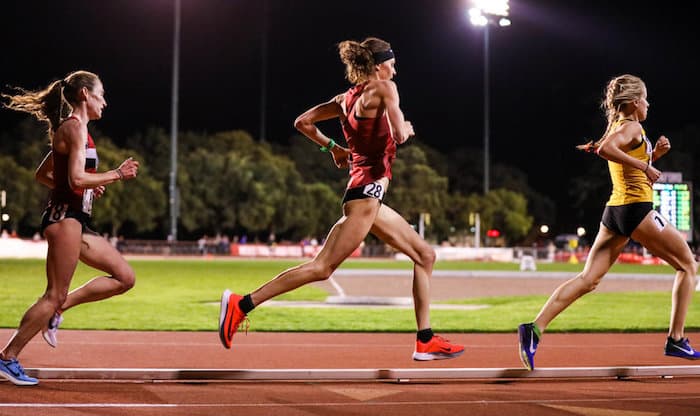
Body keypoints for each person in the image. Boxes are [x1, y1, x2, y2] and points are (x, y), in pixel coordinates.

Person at [219, 37, 464, 361]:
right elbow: (400, 135)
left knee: (425, 255)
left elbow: (302, 122)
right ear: (378, 66)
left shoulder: (344, 99)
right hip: (365, 197)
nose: (395, 67)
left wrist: (334, 148)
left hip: (366, 196)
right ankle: (242, 303)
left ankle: (425, 339)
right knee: (321, 268)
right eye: (391, 62)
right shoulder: (386, 88)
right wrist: (405, 126)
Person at [517, 74, 699, 370]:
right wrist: (645, 165)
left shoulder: (618, 126)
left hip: (614, 212)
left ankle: (534, 328)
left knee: (589, 280)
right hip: (637, 210)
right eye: (646, 99)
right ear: (635, 102)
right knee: (688, 265)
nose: (649, 105)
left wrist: (654, 156)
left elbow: (622, 160)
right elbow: (606, 150)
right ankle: (676, 339)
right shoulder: (631, 126)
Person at [0, 70, 139, 386]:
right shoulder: (74, 129)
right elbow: (75, 178)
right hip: (65, 221)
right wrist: (115, 175)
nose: (104, 101)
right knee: (52, 294)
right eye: (100, 94)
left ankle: (58, 310)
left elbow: (45, 175)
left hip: (77, 219)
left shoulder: (79, 131)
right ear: (85, 95)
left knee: (125, 277)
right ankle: (7, 357)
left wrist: (86, 189)